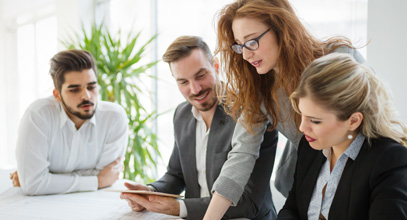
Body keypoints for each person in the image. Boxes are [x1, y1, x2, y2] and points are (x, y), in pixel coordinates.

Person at [204, 0, 370, 219]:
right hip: (307, 186)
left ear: (281, 28)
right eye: (239, 45)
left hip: (361, 177)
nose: (245, 55)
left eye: (252, 42)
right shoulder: (260, 90)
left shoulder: (339, 57)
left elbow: (378, 121)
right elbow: (241, 156)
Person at [120, 36, 279, 220]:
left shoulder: (252, 114)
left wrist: (179, 208)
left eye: (201, 76)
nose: (195, 89)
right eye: (183, 82)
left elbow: (249, 203)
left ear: (216, 67)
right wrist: (150, 191)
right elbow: (176, 175)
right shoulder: (182, 114)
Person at [277, 53, 407, 219]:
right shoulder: (310, 147)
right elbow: (292, 208)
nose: (302, 128)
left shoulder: (388, 160)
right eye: (301, 114)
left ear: (353, 121)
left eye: (315, 121)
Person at [11, 49, 128, 195]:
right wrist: (97, 181)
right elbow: (33, 184)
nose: (86, 96)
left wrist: (43, 177)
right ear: (57, 95)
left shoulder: (114, 117)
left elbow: (108, 174)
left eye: (91, 87)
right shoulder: (37, 115)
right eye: (74, 90)